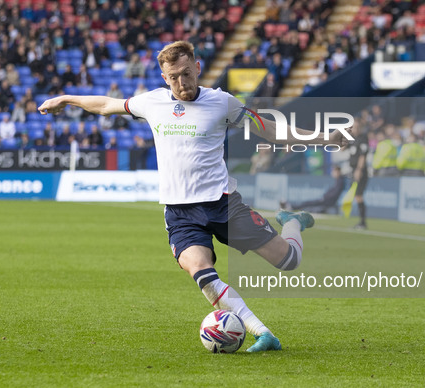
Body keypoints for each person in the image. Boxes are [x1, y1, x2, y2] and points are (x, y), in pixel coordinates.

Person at [39, 41, 349, 352]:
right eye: (173, 77)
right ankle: (262, 333)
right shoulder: (152, 103)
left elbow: (268, 130)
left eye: (187, 74)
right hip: (180, 213)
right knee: (203, 275)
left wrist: (324, 138)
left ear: (197, 68)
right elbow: (106, 104)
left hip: (224, 204)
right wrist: (66, 99)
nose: (181, 82)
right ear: (164, 77)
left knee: (289, 260)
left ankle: (293, 222)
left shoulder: (222, 103)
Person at [281, 166, 345, 214]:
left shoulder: (340, 181)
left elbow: (335, 194)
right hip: (326, 199)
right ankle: (292, 206)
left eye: (333, 171)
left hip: (328, 201)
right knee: (309, 203)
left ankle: (292, 207)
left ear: (337, 172)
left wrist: (325, 197)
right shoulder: (338, 181)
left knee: (309, 203)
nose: (332, 173)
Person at [348, 121, 369, 229]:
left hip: (360, 171)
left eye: (356, 127)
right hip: (353, 170)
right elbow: (341, 148)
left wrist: (359, 170)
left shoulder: (363, 138)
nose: (354, 129)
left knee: (359, 195)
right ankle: (361, 222)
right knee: (357, 196)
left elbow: (362, 156)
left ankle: (363, 222)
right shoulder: (352, 140)